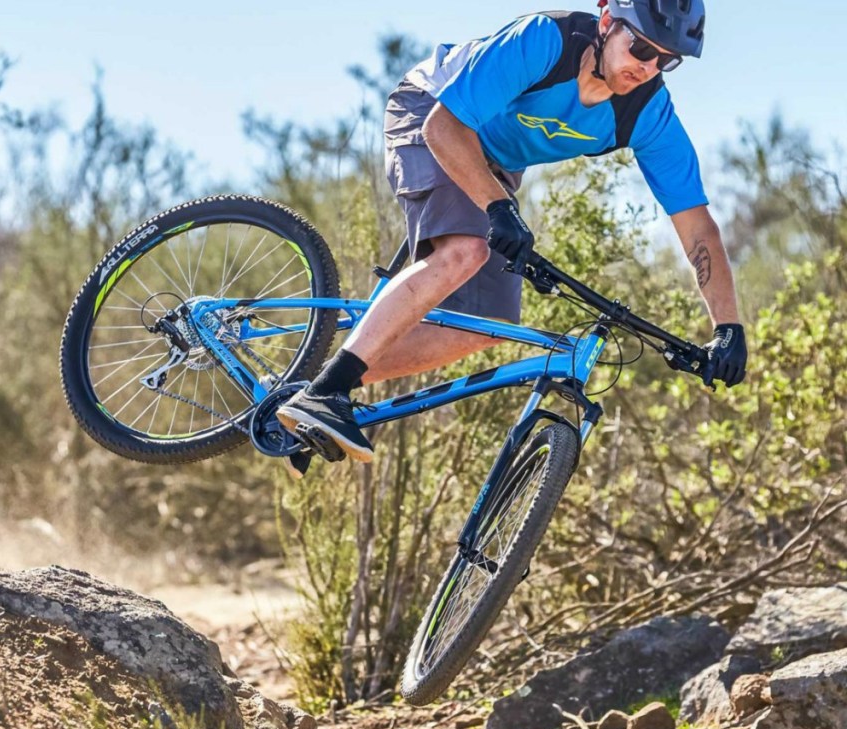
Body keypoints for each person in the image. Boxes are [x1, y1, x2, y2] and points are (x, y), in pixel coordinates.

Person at [277, 0, 748, 477]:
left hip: (493, 163)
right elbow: (443, 127)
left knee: (485, 324)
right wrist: (497, 206)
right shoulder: (545, 41)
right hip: (433, 112)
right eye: (641, 47)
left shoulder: (648, 114)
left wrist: (728, 327)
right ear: (607, 23)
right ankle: (325, 394)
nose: (646, 67)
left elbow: (697, 227)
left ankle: (309, 387)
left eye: (665, 60)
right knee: (467, 250)